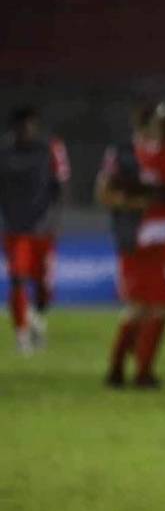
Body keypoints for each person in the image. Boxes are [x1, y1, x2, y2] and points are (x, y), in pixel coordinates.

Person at [98, 102, 165, 387]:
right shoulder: (127, 154)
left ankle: (120, 370)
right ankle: (140, 371)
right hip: (142, 237)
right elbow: (104, 192)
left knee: (143, 305)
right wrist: (138, 202)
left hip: (156, 235)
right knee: (164, 300)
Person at [0, 106, 69, 353]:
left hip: (43, 228)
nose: (26, 130)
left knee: (43, 285)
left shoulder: (51, 148)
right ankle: (22, 333)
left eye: (30, 125)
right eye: (22, 126)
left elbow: (60, 187)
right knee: (18, 279)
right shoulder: (4, 152)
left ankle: (37, 319)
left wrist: (55, 221)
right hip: (14, 229)